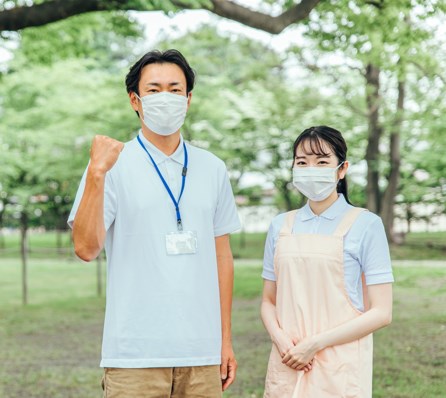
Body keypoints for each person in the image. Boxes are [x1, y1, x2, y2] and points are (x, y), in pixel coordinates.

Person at [68, 49, 241, 398]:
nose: (166, 97)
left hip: (202, 355)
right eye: (154, 89)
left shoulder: (213, 168)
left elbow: (223, 257)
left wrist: (224, 340)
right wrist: (97, 174)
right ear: (136, 100)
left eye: (175, 90)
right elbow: (85, 248)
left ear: (188, 99)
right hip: (134, 356)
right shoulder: (110, 164)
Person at [261, 126, 394, 398]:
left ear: (341, 169)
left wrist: (314, 344)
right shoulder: (280, 226)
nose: (311, 168)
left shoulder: (366, 225)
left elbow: (382, 312)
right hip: (288, 358)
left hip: (340, 364)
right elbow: (268, 300)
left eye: (322, 161)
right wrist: (281, 340)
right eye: (302, 162)